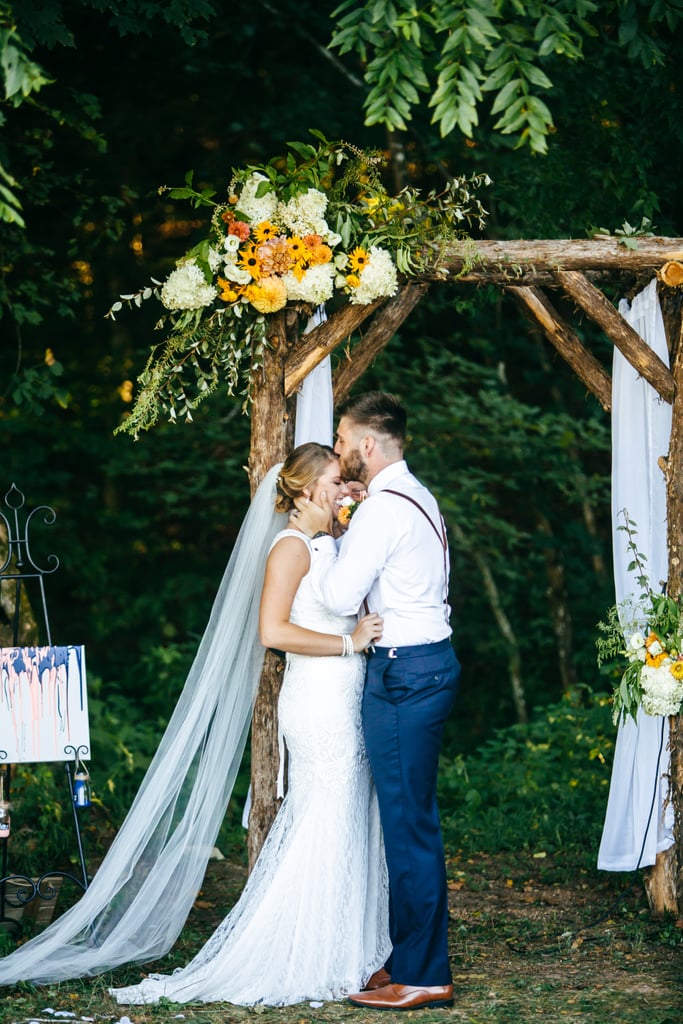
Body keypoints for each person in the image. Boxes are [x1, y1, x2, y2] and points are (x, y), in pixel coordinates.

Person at [109, 442, 390, 1007]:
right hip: (316, 703)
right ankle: (300, 950)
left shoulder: (323, 542)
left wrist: (358, 504)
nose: (342, 491)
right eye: (335, 483)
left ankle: (343, 947)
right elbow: (273, 632)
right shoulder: (289, 548)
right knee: (323, 818)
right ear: (307, 488)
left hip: (341, 697)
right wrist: (348, 642)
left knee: (346, 817)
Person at [293, 392, 460, 1012]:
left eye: (341, 442)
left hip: (403, 676)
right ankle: (411, 958)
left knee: (408, 827)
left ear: (366, 444)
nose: (336, 453)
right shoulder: (416, 495)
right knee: (410, 821)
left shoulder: (379, 512)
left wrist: (330, 530)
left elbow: (338, 596)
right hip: (427, 665)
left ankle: (424, 974)